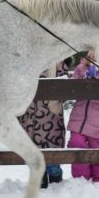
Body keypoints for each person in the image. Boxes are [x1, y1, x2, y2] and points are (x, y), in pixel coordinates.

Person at [18, 60, 71, 188]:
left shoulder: (57, 63)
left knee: (52, 158)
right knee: (34, 154)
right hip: (30, 118)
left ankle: (56, 181)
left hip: (51, 119)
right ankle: (39, 180)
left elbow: (65, 89)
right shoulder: (27, 62)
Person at [66, 52, 99, 184]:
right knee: (76, 144)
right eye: (91, 54)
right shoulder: (80, 68)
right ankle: (81, 180)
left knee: (98, 149)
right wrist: (83, 74)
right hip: (79, 117)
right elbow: (73, 89)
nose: (93, 57)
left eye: (96, 53)